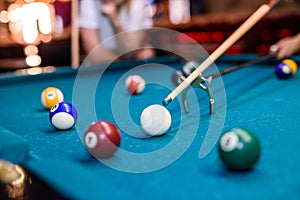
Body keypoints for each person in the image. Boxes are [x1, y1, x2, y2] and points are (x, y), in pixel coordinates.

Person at [78, 0, 156, 64]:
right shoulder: (89, 2)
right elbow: (95, 54)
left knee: (147, 53)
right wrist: (125, 66)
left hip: (129, 65)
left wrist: (115, 22)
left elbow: (130, 52)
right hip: (98, 70)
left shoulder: (137, 3)